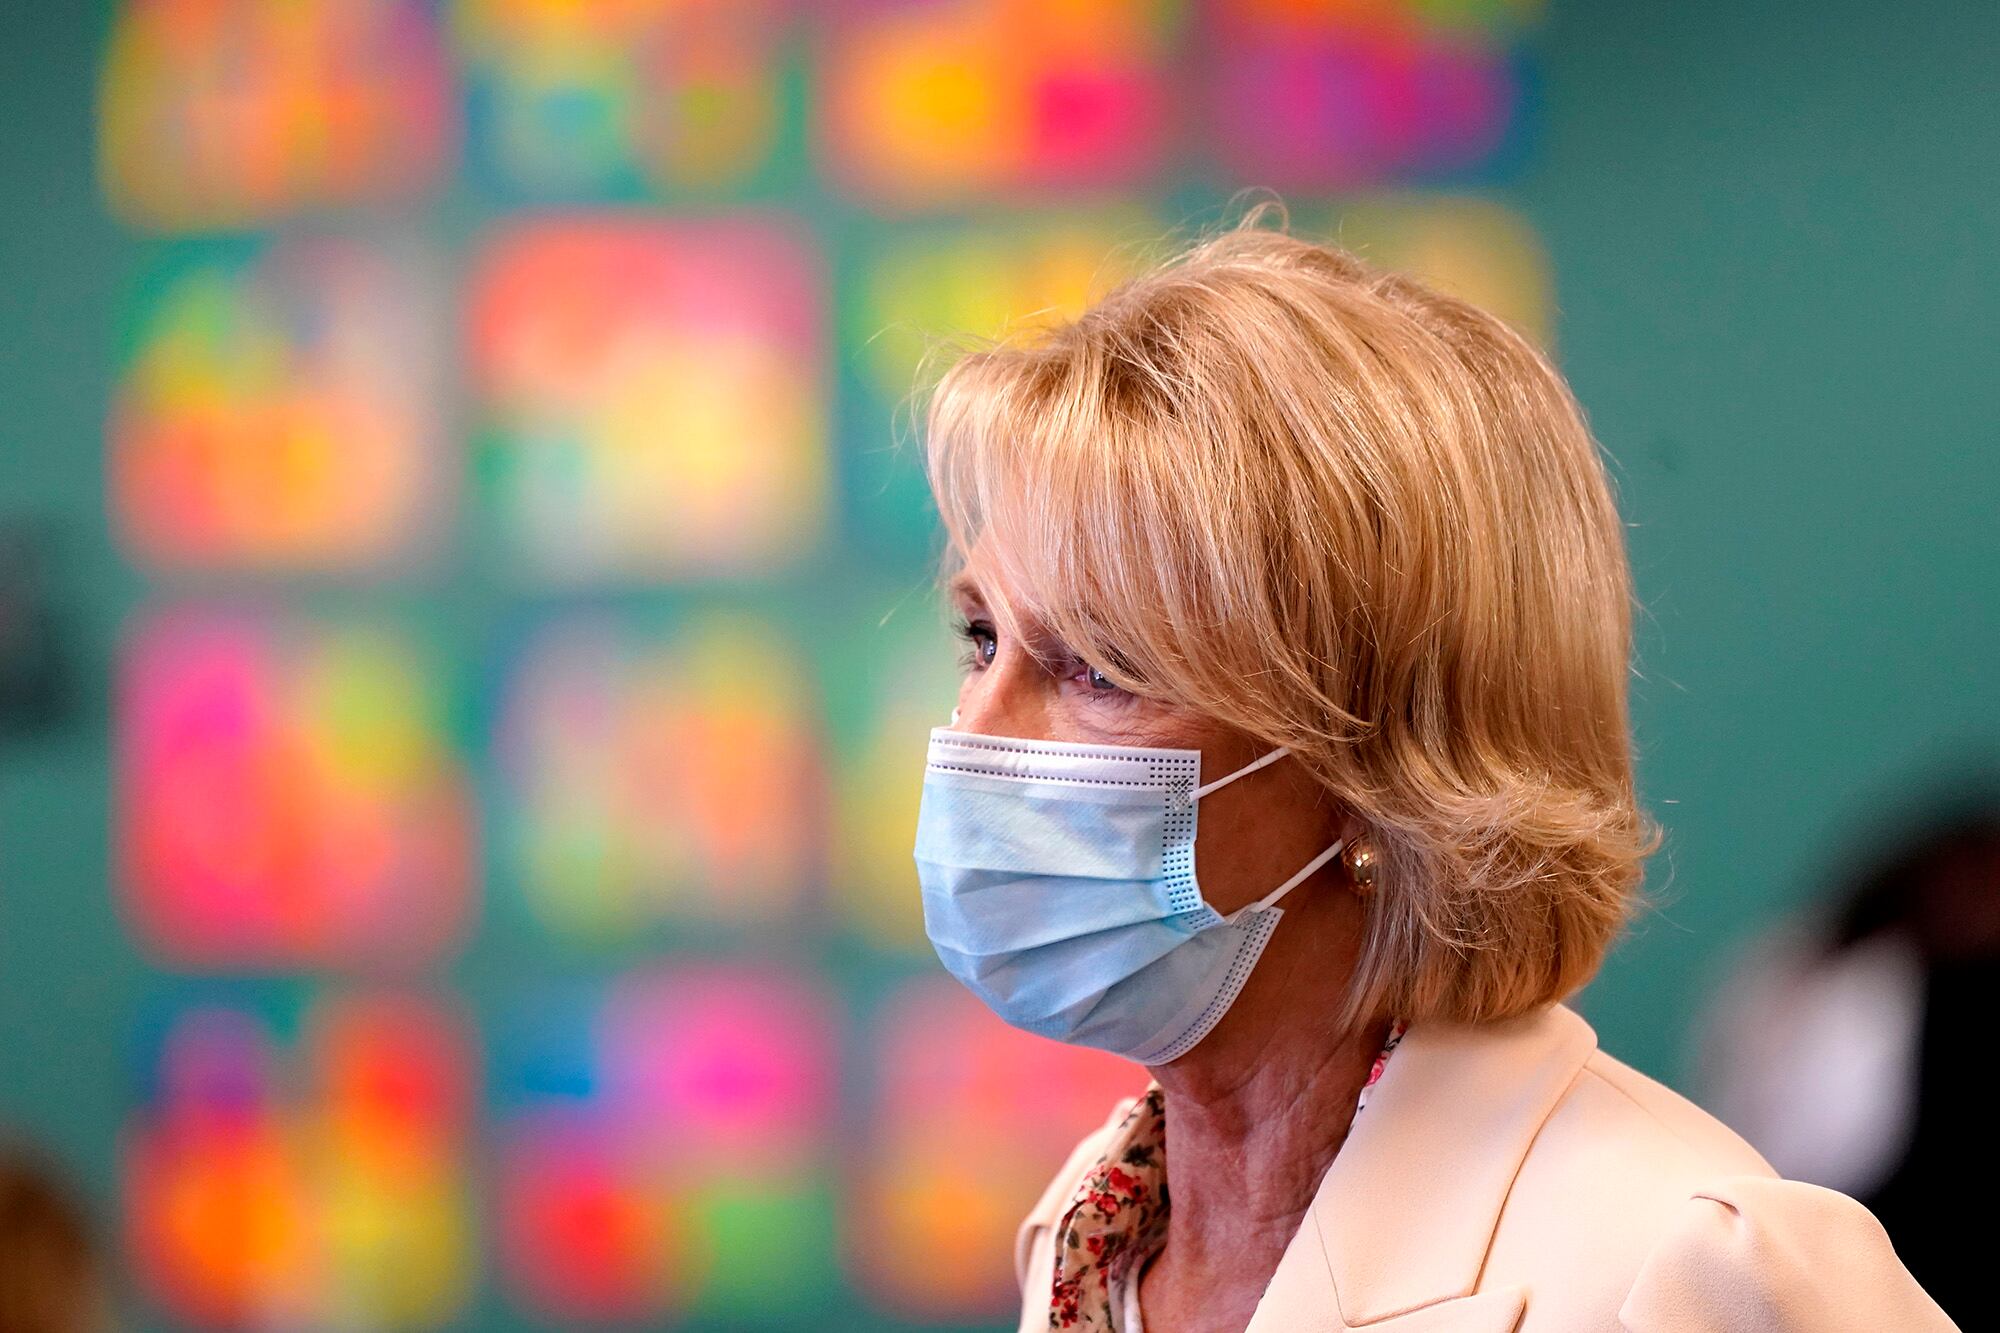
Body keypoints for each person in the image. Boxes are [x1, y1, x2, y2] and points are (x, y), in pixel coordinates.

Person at [907, 201, 1955, 1332]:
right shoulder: (1091, 1238)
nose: (976, 727)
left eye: (1099, 666)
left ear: (1386, 760)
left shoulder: (1689, 1265)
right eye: (982, 639)